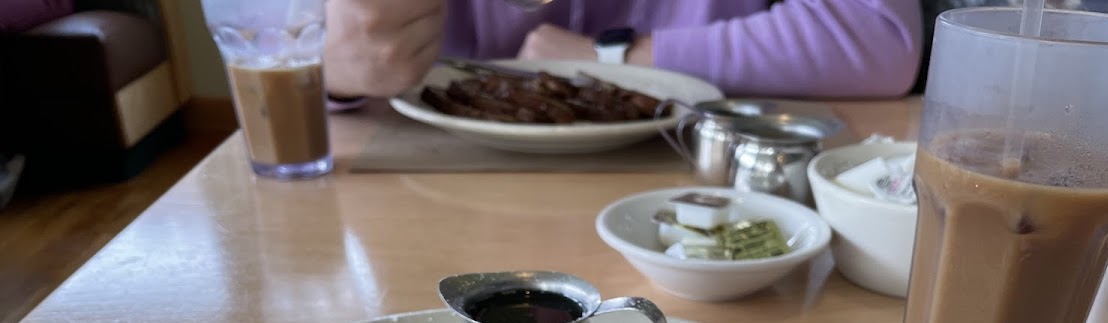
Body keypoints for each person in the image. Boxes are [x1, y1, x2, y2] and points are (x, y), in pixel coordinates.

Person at [324, 0, 924, 102]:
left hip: (689, 165)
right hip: (421, 192)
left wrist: (606, 56)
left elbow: (880, 37)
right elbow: (271, 40)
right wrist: (331, 66)